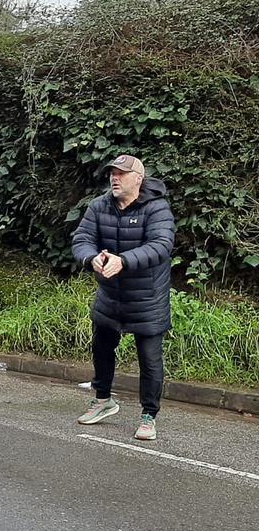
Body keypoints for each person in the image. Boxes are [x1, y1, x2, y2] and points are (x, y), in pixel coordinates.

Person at [72, 154, 175, 441]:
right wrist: (91, 258)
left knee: (149, 360)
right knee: (101, 348)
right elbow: (82, 239)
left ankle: (148, 415)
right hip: (110, 295)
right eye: (112, 173)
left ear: (138, 179)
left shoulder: (157, 208)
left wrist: (124, 261)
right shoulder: (99, 206)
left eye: (121, 174)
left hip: (147, 298)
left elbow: (161, 245)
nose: (114, 178)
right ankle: (103, 400)